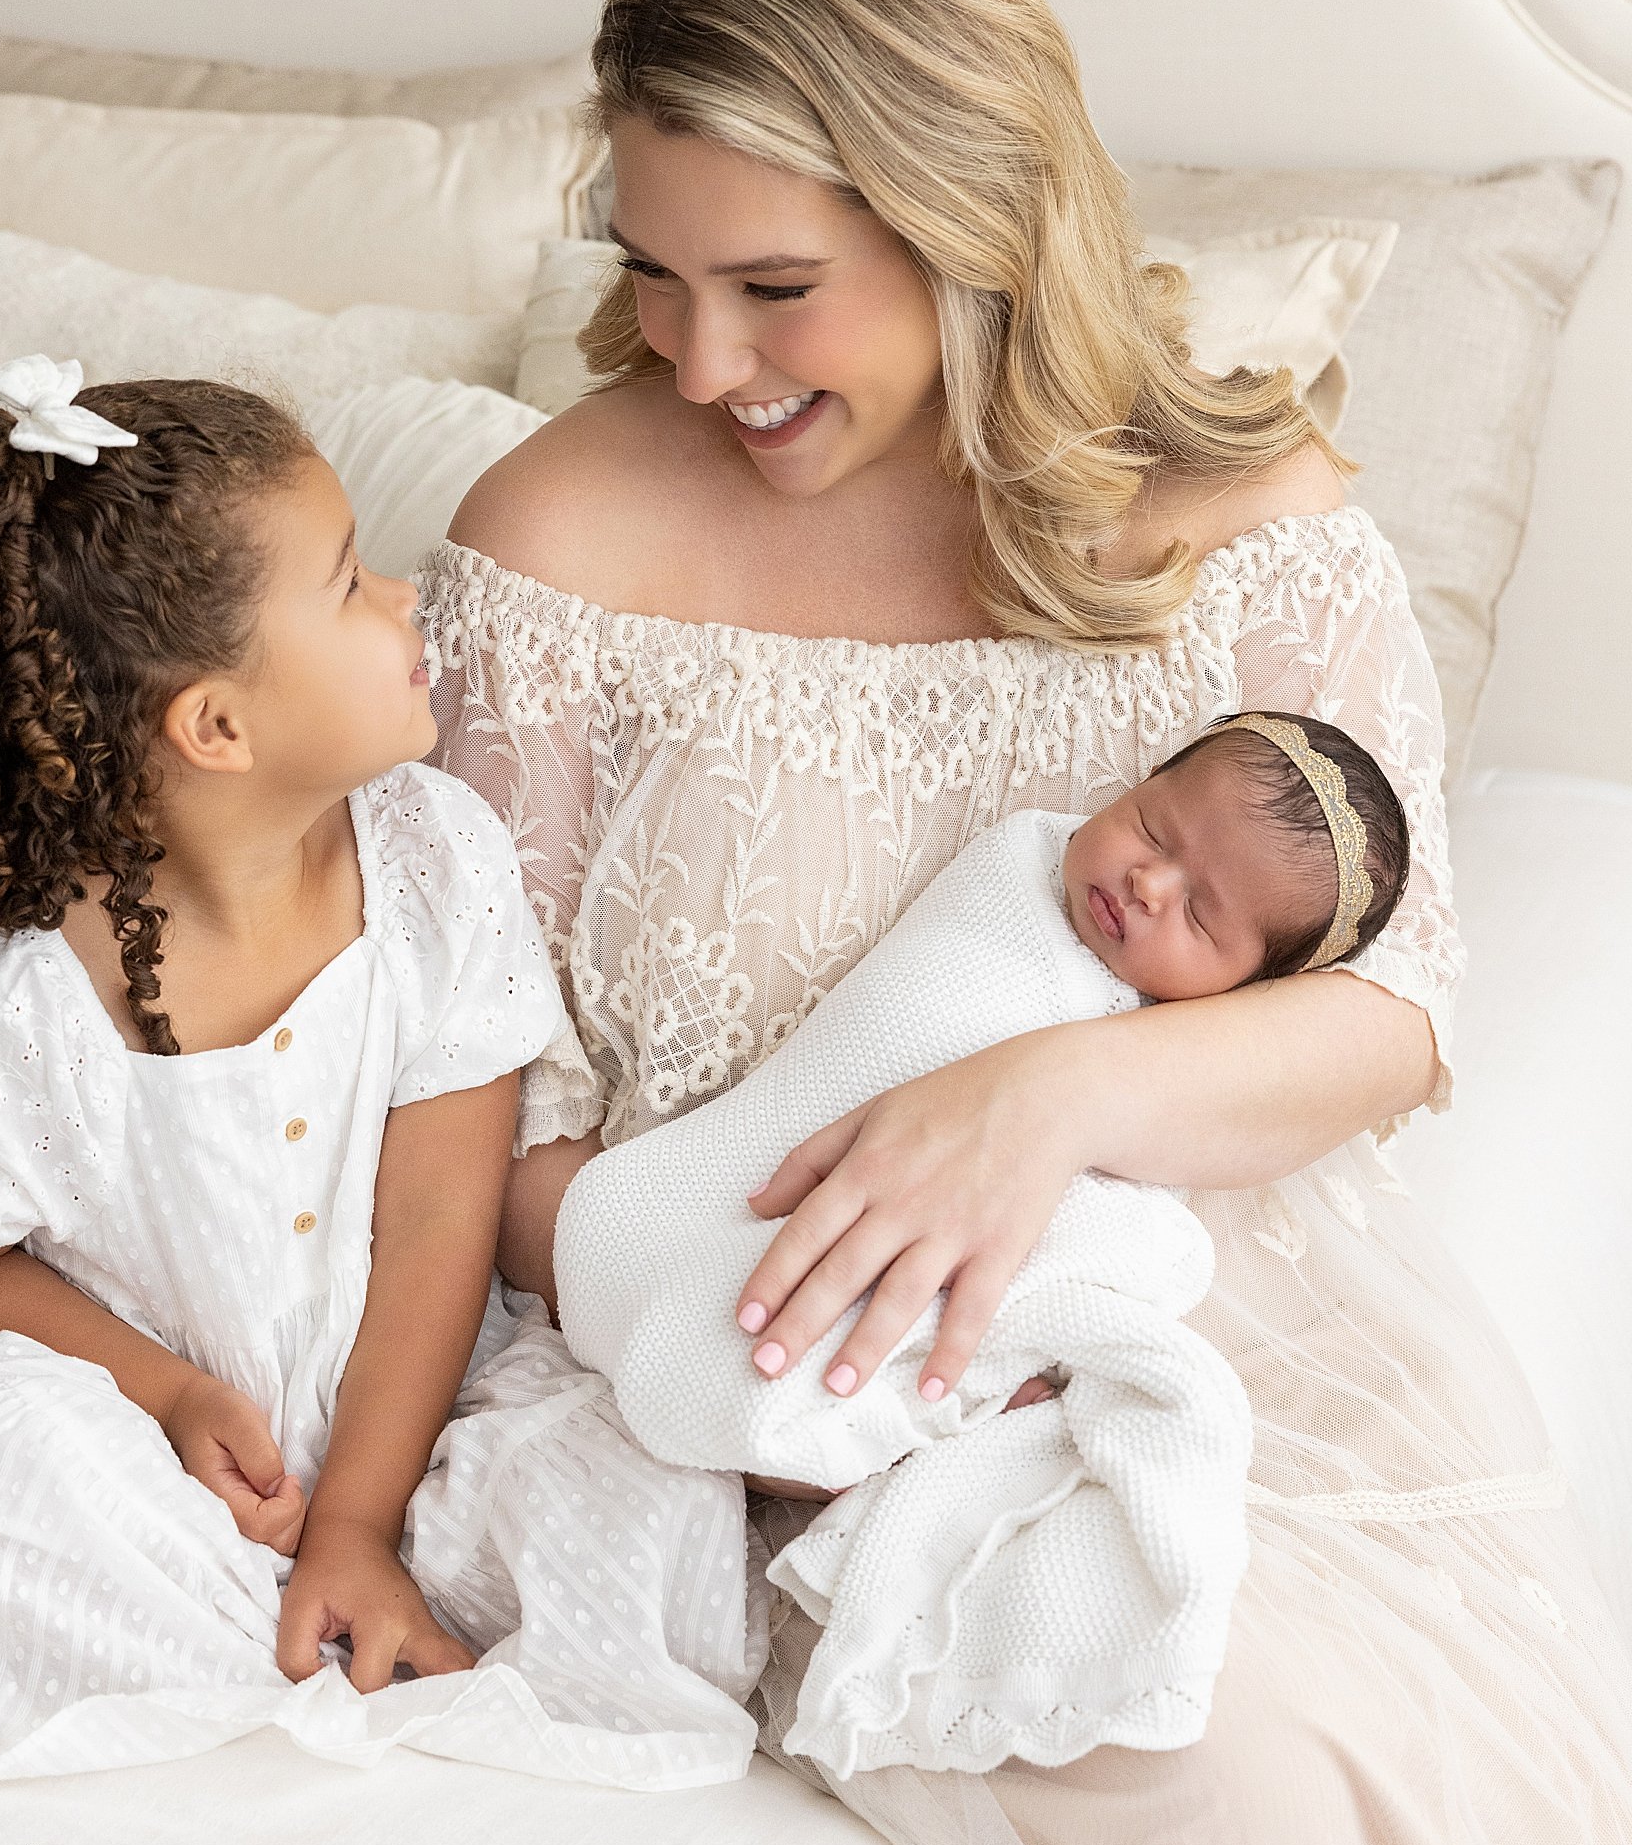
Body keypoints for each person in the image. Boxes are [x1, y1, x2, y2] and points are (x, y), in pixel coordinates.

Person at [425, 0, 1632, 1845]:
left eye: (777, 284)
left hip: (1166, 1324)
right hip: (716, 1365)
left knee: (1270, 1747)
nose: (701, 353)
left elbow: (1394, 1011)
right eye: (652, 270)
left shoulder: (1242, 529)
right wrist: (729, 1307)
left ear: (975, 220)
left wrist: (1042, 1100)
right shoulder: (547, 542)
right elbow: (458, 1095)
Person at [0, 366, 760, 1789]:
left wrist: (359, 1514)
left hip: (421, 1408)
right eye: (354, 581)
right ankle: (259, 1637)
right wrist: (169, 1398)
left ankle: (349, 1591)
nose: (411, 601)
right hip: (149, 1442)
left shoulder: (435, 868)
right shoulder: (1, 1002)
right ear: (217, 728)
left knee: (647, 1481)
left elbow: (441, 1224)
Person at [554, 716, 1411, 1782]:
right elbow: (895, 1028)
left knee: (1144, 1256)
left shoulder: (1163, 1058)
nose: (1147, 883)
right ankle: (694, 1293)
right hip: (744, 1185)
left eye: (1199, 913)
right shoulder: (1012, 874)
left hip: (933, 1252)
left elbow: (1112, 1222)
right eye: (1152, 827)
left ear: (1242, 992)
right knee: (655, 1238)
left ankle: (869, 1399)